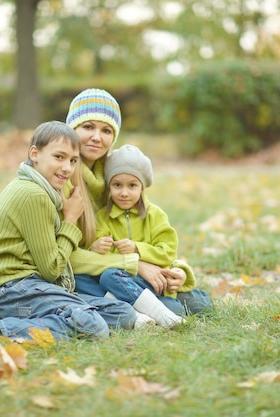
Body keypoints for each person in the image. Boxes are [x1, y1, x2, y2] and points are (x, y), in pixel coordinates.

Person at [0, 121, 136, 342]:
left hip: (34, 288)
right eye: (59, 157)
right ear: (35, 153)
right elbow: (51, 269)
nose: (67, 168)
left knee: (122, 313)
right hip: (12, 289)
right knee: (94, 326)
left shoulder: (44, 191)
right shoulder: (33, 194)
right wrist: (70, 220)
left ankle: (17, 319)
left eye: (73, 160)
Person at [64, 88, 213, 316]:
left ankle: (143, 303)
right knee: (98, 281)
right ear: (71, 129)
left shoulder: (114, 177)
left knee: (197, 304)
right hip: (96, 272)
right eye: (87, 127)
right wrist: (136, 264)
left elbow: (159, 239)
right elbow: (67, 257)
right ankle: (135, 307)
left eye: (106, 130)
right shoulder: (63, 177)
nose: (97, 137)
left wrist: (177, 270)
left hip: (134, 274)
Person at [77, 145, 193, 328]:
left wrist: (137, 249)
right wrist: (95, 246)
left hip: (147, 283)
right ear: (109, 186)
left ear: (142, 187)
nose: (124, 192)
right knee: (95, 277)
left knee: (181, 307)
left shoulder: (155, 215)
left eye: (132, 185)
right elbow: (96, 256)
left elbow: (168, 252)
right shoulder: (102, 217)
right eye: (117, 185)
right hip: (115, 279)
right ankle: (146, 312)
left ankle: (146, 311)